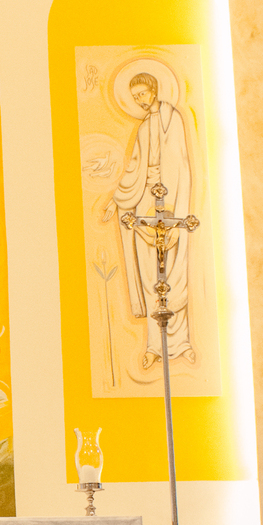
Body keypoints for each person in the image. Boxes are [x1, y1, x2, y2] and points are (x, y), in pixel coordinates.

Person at [106, 71, 195, 366]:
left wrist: (176, 206)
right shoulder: (144, 129)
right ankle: (154, 346)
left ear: (154, 89)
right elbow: (133, 168)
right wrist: (116, 201)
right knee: (150, 275)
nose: (140, 101)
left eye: (143, 94)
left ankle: (181, 342)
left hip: (171, 201)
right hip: (146, 201)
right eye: (135, 98)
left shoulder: (174, 119)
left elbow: (181, 163)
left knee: (173, 273)